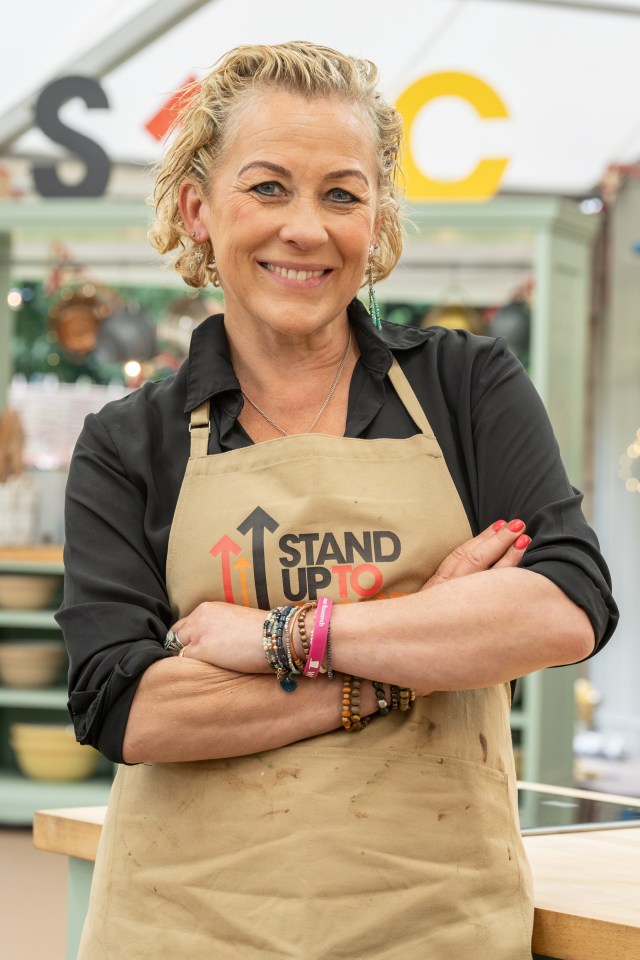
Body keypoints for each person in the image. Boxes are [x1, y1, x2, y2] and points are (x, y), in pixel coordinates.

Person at [57, 41, 617, 960]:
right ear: (199, 209)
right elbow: (133, 711)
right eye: (269, 187)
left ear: (378, 217)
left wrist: (273, 640)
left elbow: (563, 611)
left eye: (343, 194)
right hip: (183, 928)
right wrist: (425, 638)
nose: (306, 228)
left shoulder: (466, 387)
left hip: (435, 927)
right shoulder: (131, 441)